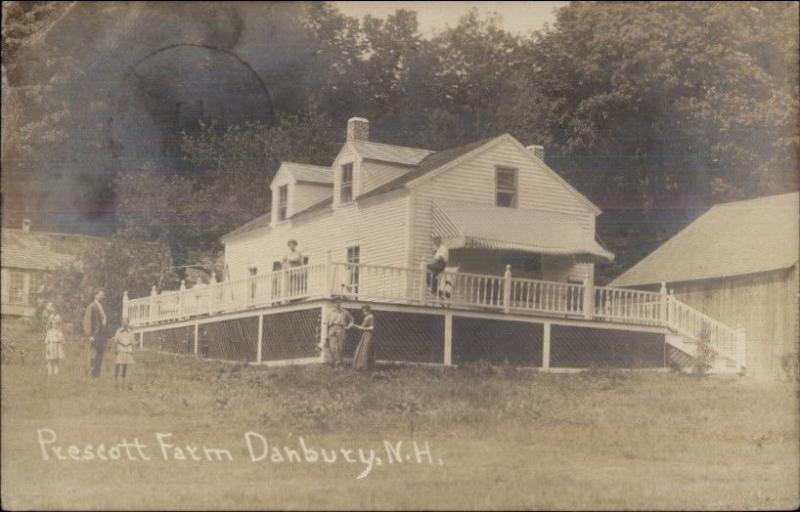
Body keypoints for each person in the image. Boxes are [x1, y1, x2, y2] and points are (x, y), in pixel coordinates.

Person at [83, 290, 108, 379]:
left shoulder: (101, 306)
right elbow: (87, 321)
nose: (102, 296)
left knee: (99, 355)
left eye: (103, 295)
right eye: (100, 294)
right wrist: (90, 335)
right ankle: (88, 375)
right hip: (94, 335)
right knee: (92, 355)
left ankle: (95, 376)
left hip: (101, 335)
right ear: (95, 295)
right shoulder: (92, 306)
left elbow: (103, 320)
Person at [325, 299, 353, 368]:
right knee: (332, 346)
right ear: (334, 303)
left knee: (341, 346)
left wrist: (348, 326)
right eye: (336, 303)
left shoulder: (344, 312)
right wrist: (326, 333)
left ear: (341, 303)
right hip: (332, 328)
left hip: (341, 328)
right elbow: (326, 323)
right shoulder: (330, 311)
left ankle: (339, 364)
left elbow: (352, 319)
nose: (337, 304)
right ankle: (334, 363)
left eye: (339, 302)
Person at [352, 305, 376, 372]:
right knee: (361, 349)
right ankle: (361, 366)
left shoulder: (371, 317)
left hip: (368, 335)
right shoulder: (367, 317)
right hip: (365, 334)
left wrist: (362, 328)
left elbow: (372, 328)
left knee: (365, 350)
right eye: (363, 311)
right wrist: (355, 326)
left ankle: (365, 367)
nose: (364, 312)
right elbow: (361, 327)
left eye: (365, 311)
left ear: (369, 311)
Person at [112, 319, 134, 389]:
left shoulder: (130, 332)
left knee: (125, 366)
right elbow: (115, 341)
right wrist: (115, 349)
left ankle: (123, 383)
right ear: (121, 323)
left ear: (128, 323)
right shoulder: (118, 331)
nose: (125, 324)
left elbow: (132, 343)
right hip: (120, 350)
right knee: (118, 365)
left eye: (126, 323)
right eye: (123, 323)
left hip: (127, 350)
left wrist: (131, 351)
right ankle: (116, 382)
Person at [44, 312, 65, 377]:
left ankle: (56, 373)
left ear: (58, 325)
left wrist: (60, 342)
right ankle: (50, 373)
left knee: (56, 361)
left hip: (56, 347)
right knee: (49, 361)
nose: (54, 325)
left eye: (56, 324)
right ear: (51, 325)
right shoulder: (49, 332)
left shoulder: (59, 332)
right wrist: (47, 347)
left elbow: (62, 340)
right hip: (50, 347)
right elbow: (47, 341)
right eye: (53, 324)